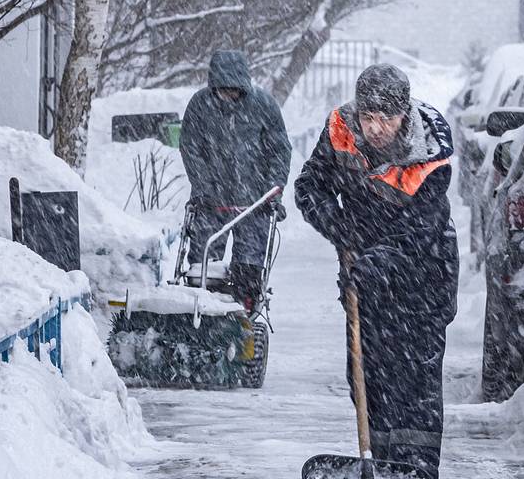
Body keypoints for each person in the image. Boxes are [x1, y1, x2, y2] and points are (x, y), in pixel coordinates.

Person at [294, 63, 459, 479]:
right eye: (369, 117)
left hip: (424, 278)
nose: (376, 128)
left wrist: (375, 264)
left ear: (404, 114)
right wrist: (344, 228)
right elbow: (309, 187)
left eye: (386, 119)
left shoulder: (430, 153)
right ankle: (381, 463)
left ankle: (416, 468)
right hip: (364, 275)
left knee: (413, 382)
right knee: (368, 373)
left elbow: (420, 231)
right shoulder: (340, 131)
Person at [180, 50, 291, 310]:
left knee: (249, 267)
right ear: (213, 86)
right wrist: (204, 187)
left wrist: (272, 191)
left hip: (254, 203)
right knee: (202, 267)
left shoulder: (263, 105)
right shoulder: (200, 105)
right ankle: (202, 311)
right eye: (223, 90)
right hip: (211, 201)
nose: (229, 96)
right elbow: (190, 147)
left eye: (234, 91)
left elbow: (279, 150)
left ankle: (245, 312)